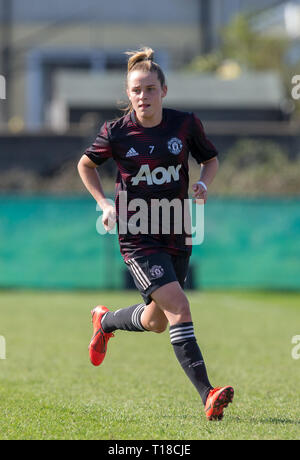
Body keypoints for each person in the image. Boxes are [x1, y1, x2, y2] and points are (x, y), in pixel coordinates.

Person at [77, 47, 234, 421]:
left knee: (157, 319)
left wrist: (204, 185)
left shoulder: (185, 125)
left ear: (164, 91)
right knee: (179, 307)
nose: (142, 96)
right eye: (136, 90)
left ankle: (106, 321)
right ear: (128, 94)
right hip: (137, 235)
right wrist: (103, 202)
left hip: (176, 229)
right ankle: (208, 394)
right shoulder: (116, 132)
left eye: (149, 88)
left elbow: (209, 159)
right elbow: (85, 165)